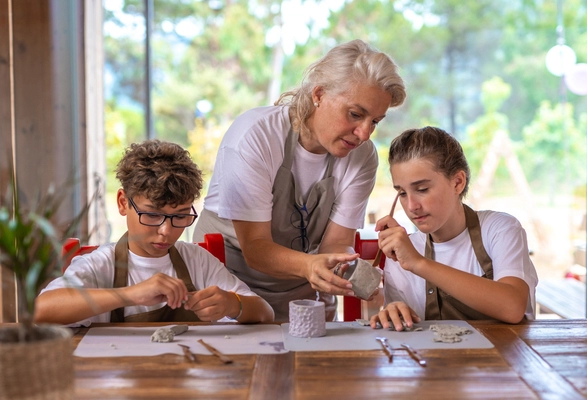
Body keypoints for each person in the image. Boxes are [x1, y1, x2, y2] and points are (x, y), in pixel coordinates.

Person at [193, 39, 406, 320]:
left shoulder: (362, 156)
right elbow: (256, 249)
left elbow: (336, 244)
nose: (365, 134)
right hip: (230, 293)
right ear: (319, 94)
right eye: (355, 114)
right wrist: (310, 266)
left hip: (304, 294)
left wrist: (357, 274)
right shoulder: (256, 135)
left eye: (375, 121)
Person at [35, 140, 274, 326]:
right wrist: (129, 295)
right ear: (122, 203)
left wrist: (233, 305)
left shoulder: (197, 261)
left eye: (180, 216)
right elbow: (41, 311)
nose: (166, 232)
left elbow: (265, 312)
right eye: (151, 214)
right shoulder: (100, 265)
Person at [370, 126, 538, 331]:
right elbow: (404, 327)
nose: (412, 206)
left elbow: (512, 307)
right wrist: (394, 310)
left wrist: (419, 263)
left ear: (458, 182)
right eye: (402, 193)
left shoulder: (499, 229)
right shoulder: (402, 253)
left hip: (505, 360)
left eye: (422, 189)